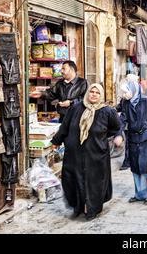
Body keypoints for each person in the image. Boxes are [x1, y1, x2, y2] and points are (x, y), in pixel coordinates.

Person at [51, 84, 124, 220]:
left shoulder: (107, 111)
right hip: (75, 154)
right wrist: (56, 141)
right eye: (92, 91)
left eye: (97, 92)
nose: (94, 94)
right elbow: (65, 127)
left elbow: (117, 128)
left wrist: (118, 136)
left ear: (101, 95)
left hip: (96, 155)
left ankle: (91, 208)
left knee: (93, 183)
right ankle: (79, 206)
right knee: (73, 180)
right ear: (88, 93)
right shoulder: (76, 108)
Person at [119, 76, 147, 205]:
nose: (126, 93)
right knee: (135, 167)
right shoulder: (126, 103)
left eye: (128, 90)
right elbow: (122, 120)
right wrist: (118, 134)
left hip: (145, 139)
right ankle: (138, 194)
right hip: (132, 139)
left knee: (145, 167)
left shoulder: (146, 101)